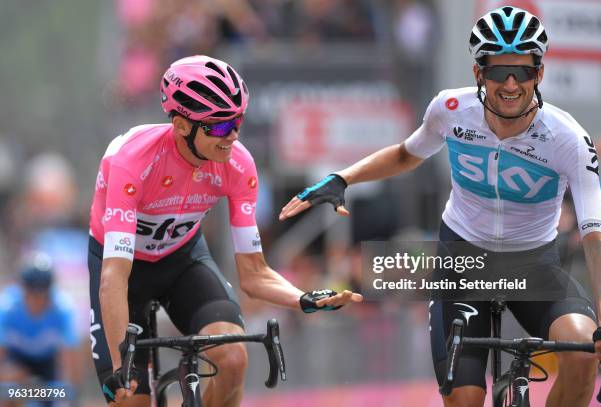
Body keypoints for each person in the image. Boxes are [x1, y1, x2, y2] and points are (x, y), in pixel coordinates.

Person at [279, 6, 601, 407]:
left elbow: (595, 234)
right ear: (478, 74)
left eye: (522, 71)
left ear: (538, 74)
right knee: (465, 399)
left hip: (535, 265)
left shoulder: (568, 139)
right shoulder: (450, 110)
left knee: (581, 353)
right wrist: (344, 177)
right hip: (464, 262)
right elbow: (406, 154)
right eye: (496, 71)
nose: (510, 83)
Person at [88, 55, 362, 407]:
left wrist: (303, 298)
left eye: (237, 123)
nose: (231, 136)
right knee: (129, 397)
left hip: (181, 260)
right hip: (124, 274)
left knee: (232, 360)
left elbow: (253, 274)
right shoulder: (132, 160)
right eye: (218, 127)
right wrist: (119, 366)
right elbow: (114, 276)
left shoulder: (238, 164)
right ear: (182, 125)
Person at [0, 254, 78, 405]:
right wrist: (9, 376)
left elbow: (70, 361)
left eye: (42, 294)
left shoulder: (62, 309)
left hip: (47, 366)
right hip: (16, 364)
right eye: (32, 294)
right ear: (22, 290)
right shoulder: (6, 309)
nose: (37, 300)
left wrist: (68, 394)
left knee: (62, 399)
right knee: (7, 394)